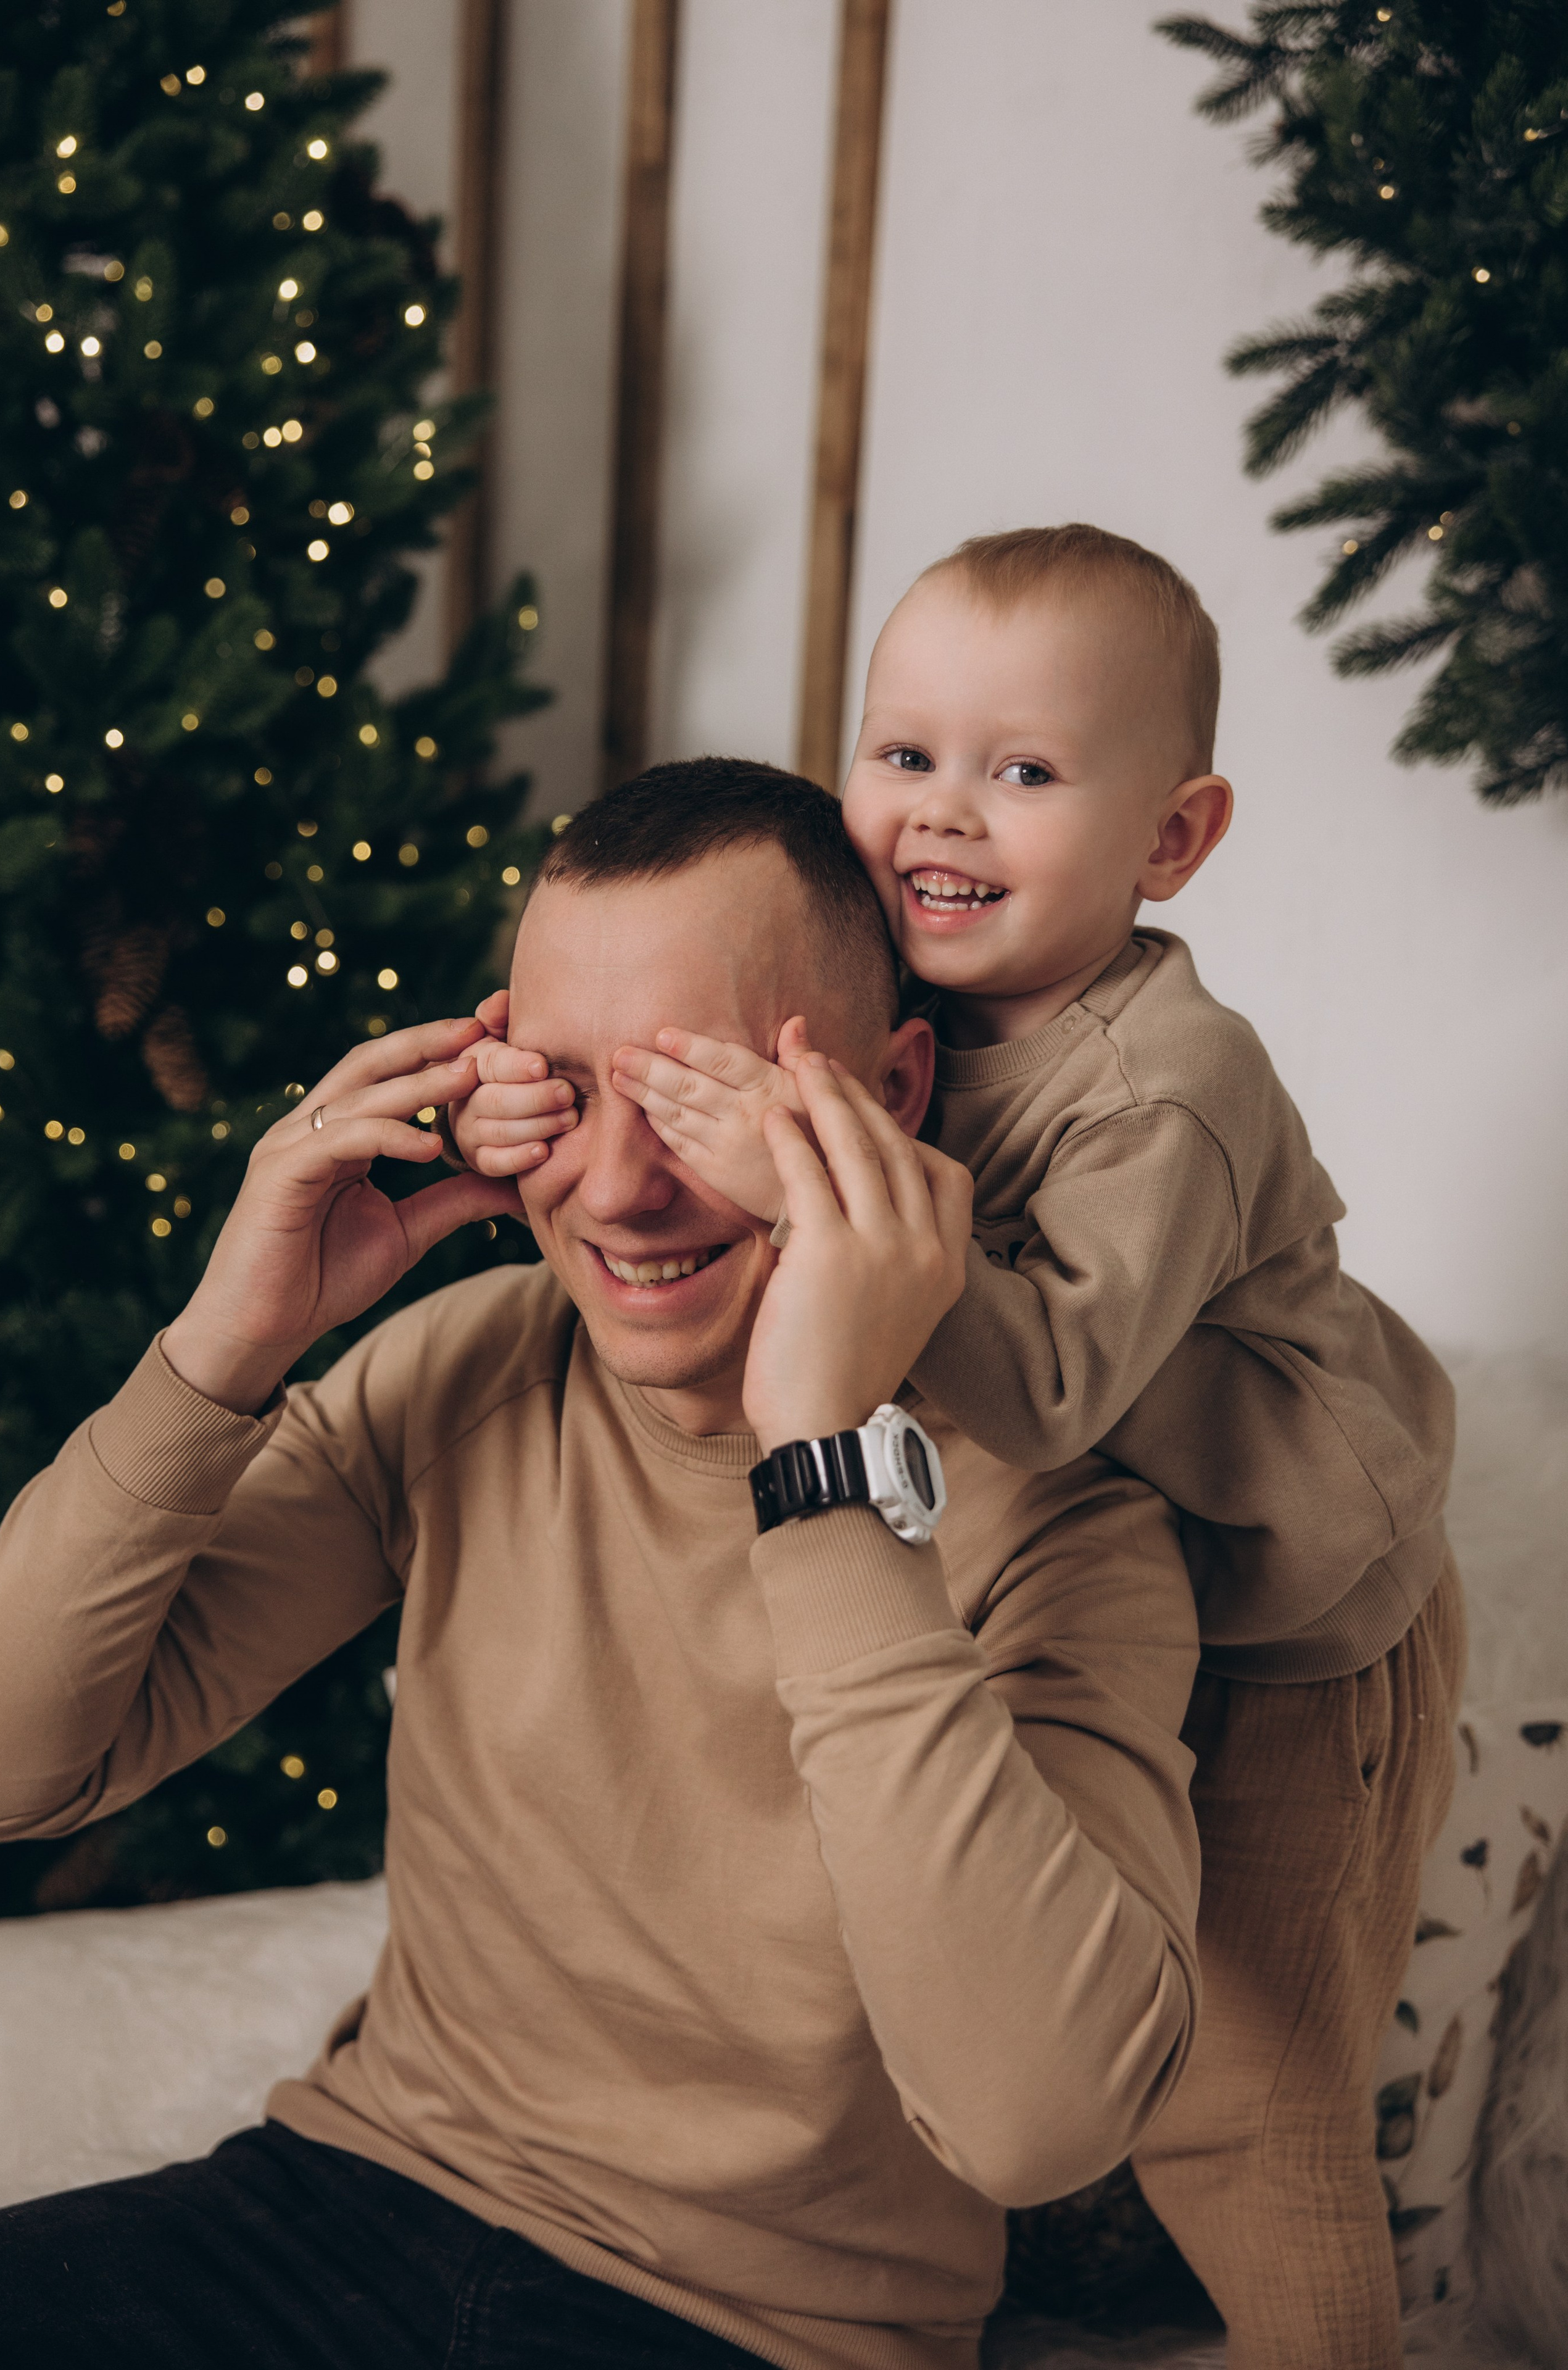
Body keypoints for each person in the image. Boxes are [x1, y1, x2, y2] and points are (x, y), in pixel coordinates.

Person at [0, 761, 1205, 2370]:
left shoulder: (1068, 1519)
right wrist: (229, 1343)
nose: (622, 1188)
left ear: (893, 1093)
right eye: (566, 1090)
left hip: (763, 2331)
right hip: (349, 2198)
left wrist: (819, 1456)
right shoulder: (475, 1366)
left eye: (700, 1097)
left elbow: (1034, 2122)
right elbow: (11, 1764)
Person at [454, 530, 1466, 2370]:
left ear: (1173, 841)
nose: (945, 817)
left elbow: (1060, 1376)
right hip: (1128, 1552)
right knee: (1072, 1952)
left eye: (1025, 774)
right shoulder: (903, 1017)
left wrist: (819, 1219)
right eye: (905, 754)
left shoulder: (1171, 1082)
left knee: (1248, 2079)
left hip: (1315, 1612)